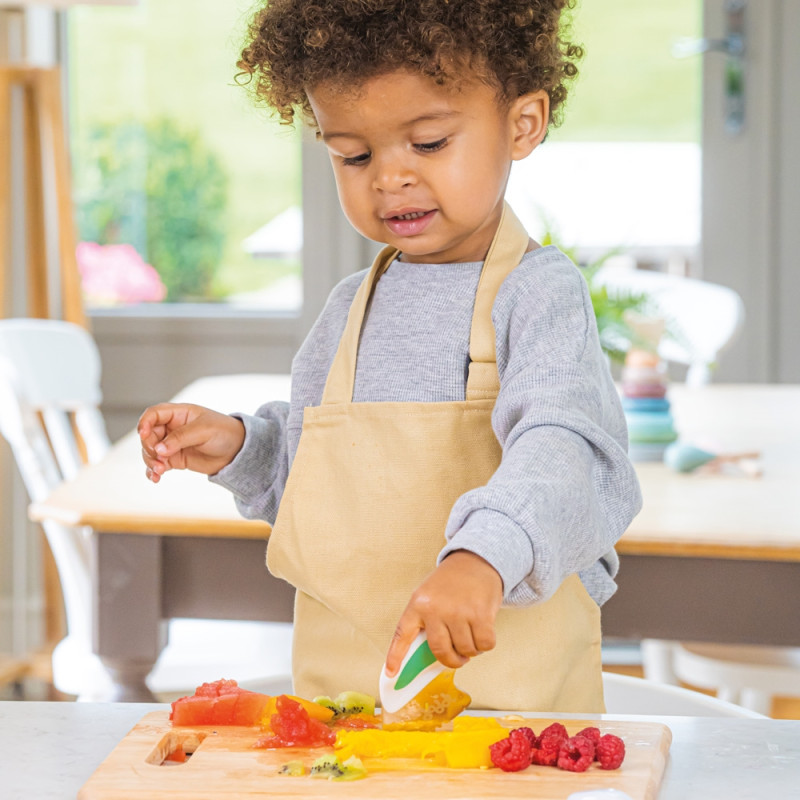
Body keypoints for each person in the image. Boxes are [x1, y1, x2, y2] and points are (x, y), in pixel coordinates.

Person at [138, 0, 642, 712]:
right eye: (355, 154)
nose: (388, 178)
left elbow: (565, 452)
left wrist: (482, 559)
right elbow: (316, 490)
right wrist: (243, 446)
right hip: (343, 714)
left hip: (513, 715)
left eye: (429, 142)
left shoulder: (537, 294)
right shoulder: (352, 307)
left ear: (522, 124)